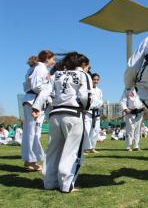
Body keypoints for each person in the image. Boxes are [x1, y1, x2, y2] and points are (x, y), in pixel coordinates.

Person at [40, 52, 92, 193]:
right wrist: (85, 108)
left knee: (53, 149)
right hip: (73, 113)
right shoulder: (83, 75)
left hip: (55, 114)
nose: (88, 68)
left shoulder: (57, 74)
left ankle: (49, 182)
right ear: (83, 65)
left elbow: (46, 92)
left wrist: (37, 107)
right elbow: (85, 96)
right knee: (72, 151)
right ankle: (66, 184)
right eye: (88, 66)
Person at [22, 50, 55, 171]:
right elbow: (36, 86)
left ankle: (30, 160)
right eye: (52, 59)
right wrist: (47, 93)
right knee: (32, 132)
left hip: (34, 100)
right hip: (34, 101)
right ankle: (30, 161)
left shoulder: (36, 68)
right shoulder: (40, 68)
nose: (53, 61)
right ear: (47, 58)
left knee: (33, 132)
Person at [83, 73, 103, 154]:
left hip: (96, 112)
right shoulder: (87, 89)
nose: (96, 81)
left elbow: (101, 101)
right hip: (88, 112)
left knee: (95, 131)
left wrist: (100, 104)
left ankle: (92, 148)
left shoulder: (99, 90)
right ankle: (84, 148)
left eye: (97, 80)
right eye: (94, 79)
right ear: (91, 80)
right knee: (86, 130)